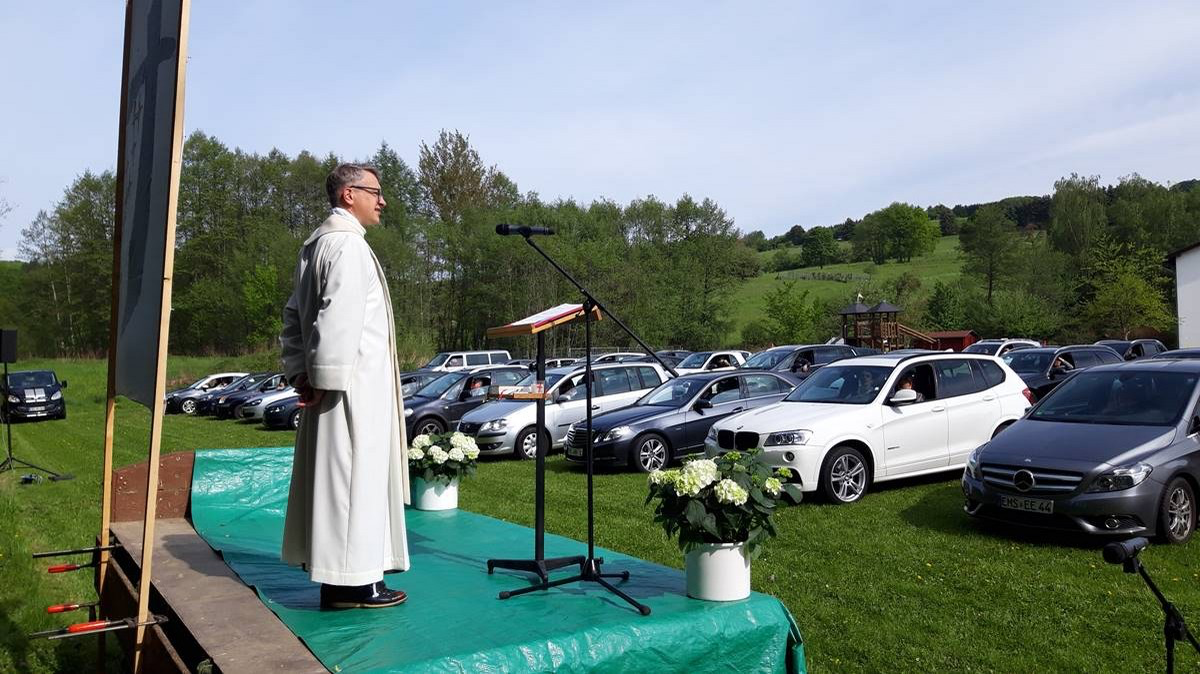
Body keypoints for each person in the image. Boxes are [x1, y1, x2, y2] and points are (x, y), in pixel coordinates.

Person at [279, 163, 410, 610]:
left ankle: (339, 584)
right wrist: (323, 380)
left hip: (334, 386)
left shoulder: (317, 245)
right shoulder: (348, 247)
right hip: (352, 390)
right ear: (349, 194)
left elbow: (293, 317)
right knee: (358, 483)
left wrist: (301, 372)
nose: (383, 200)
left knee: (340, 486)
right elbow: (336, 319)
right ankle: (358, 583)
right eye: (376, 191)